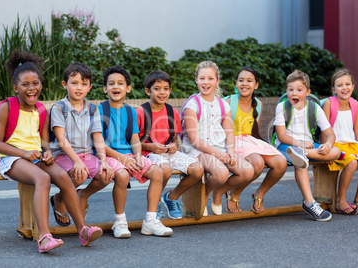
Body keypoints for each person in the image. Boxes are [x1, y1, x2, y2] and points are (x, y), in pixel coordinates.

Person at [0, 51, 102, 253]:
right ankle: (43, 237)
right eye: (25, 85)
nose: (31, 88)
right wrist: (23, 153)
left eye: (36, 83)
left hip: (34, 157)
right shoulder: (6, 108)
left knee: (61, 175)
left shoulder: (42, 110)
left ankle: (83, 230)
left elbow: (44, 143)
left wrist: (48, 152)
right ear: (16, 88)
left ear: (41, 84)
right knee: (43, 178)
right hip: (11, 158)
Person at [99, 65, 173, 237]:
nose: (116, 87)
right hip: (109, 154)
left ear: (128, 88)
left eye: (120, 83)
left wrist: (138, 156)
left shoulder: (131, 111)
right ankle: (120, 221)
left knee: (157, 173)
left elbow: (134, 139)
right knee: (123, 175)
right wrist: (121, 159)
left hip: (129, 155)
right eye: (111, 84)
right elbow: (99, 143)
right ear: (105, 88)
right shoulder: (100, 110)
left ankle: (150, 220)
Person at [181, 61, 254, 216]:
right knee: (221, 173)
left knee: (247, 171)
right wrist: (217, 153)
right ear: (196, 80)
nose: (206, 82)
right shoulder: (192, 105)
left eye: (210, 78)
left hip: (219, 148)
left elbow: (229, 132)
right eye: (202, 78)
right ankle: (203, 195)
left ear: (217, 81)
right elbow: (194, 139)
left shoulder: (223, 105)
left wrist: (231, 152)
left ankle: (218, 192)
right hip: (197, 150)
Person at [50, 62, 116, 228]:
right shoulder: (59, 108)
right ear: (65, 85)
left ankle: (82, 195)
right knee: (79, 173)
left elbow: (98, 137)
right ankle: (59, 198)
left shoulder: (93, 109)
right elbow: (61, 139)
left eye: (83, 84)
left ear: (89, 87)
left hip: (86, 155)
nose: (79, 88)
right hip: (64, 156)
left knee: (107, 175)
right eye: (74, 83)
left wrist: (103, 161)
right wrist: (77, 161)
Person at [136, 70, 204, 219]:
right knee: (165, 170)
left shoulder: (172, 112)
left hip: (168, 153)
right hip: (149, 153)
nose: (162, 92)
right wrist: (151, 147)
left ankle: (171, 198)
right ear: (148, 91)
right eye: (157, 88)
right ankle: (154, 206)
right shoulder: (141, 112)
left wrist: (174, 145)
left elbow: (174, 138)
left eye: (166, 89)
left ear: (170, 90)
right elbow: (133, 143)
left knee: (198, 169)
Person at [274, 69, 340, 221]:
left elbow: (330, 134)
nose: (294, 93)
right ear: (286, 91)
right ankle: (310, 203)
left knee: (336, 151)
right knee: (301, 162)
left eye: (299, 90)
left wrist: (328, 145)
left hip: (308, 148)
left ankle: (300, 154)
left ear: (308, 92)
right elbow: (281, 136)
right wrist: (299, 143)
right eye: (290, 90)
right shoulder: (282, 107)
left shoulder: (314, 108)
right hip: (286, 145)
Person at [223, 67, 287, 213]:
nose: (244, 84)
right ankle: (235, 193)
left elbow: (253, 130)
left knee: (281, 162)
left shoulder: (258, 104)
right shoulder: (228, 102)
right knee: (257, 163)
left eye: (249, 81)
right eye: (241, 80)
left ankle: (260, 193)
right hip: (232, 141)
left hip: (249, 141)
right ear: (236, 83)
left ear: (256, 85)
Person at [322, 68, 358, 214]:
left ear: (353, 86)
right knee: (352, 162)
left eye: (347, 84)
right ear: (333, 89)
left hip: (351, 144)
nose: (344, 88)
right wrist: (327, 151)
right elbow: (324, 128)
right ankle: (340, 200)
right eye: (339, 85)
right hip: (335, 145)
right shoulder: (329, 104)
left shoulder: (355, 104)